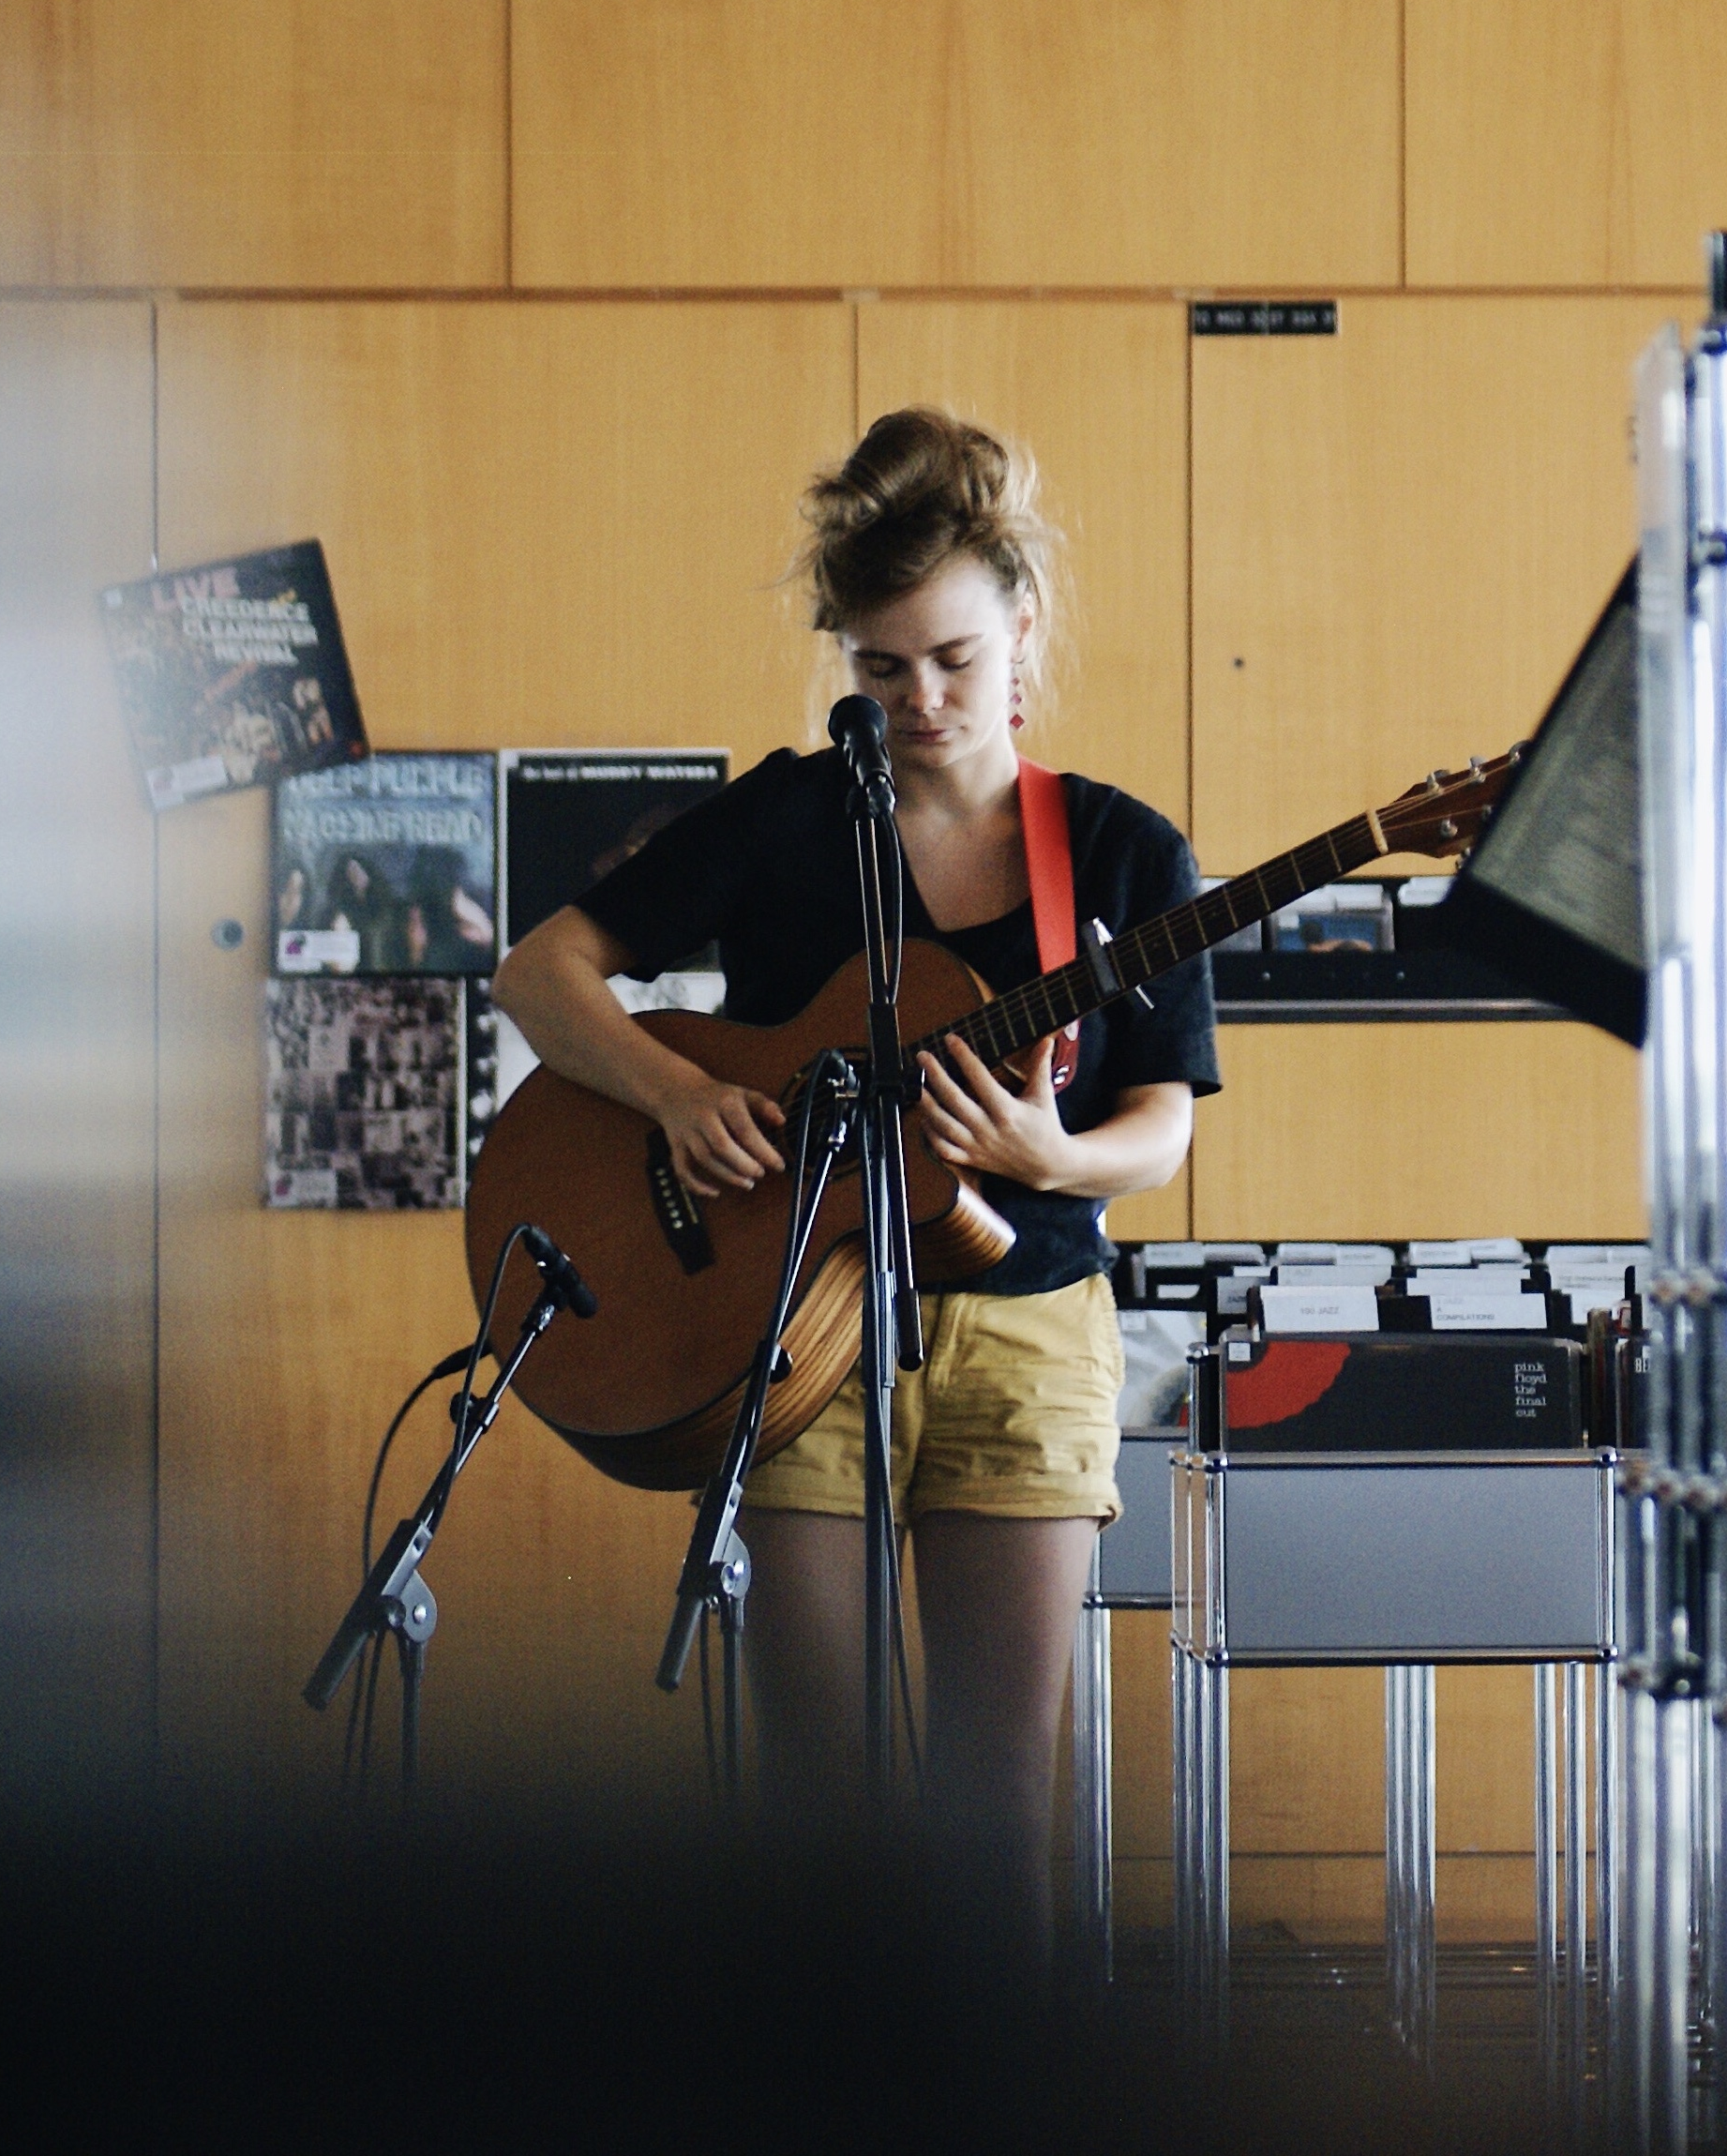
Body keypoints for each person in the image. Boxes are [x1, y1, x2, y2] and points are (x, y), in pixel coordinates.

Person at [490, 409, 1218, 1945]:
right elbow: (541, 972)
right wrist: (682, 1092)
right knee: (816, 1791)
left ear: (1023, 626)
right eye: (879, 669)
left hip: (1028, 1322)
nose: (920, 699)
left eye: (952, 656)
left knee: (998, 1789)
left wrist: (1052, 1156)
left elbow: (1166, 1119)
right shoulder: (787, 817)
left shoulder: (1122, 852)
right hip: (791, 1312)